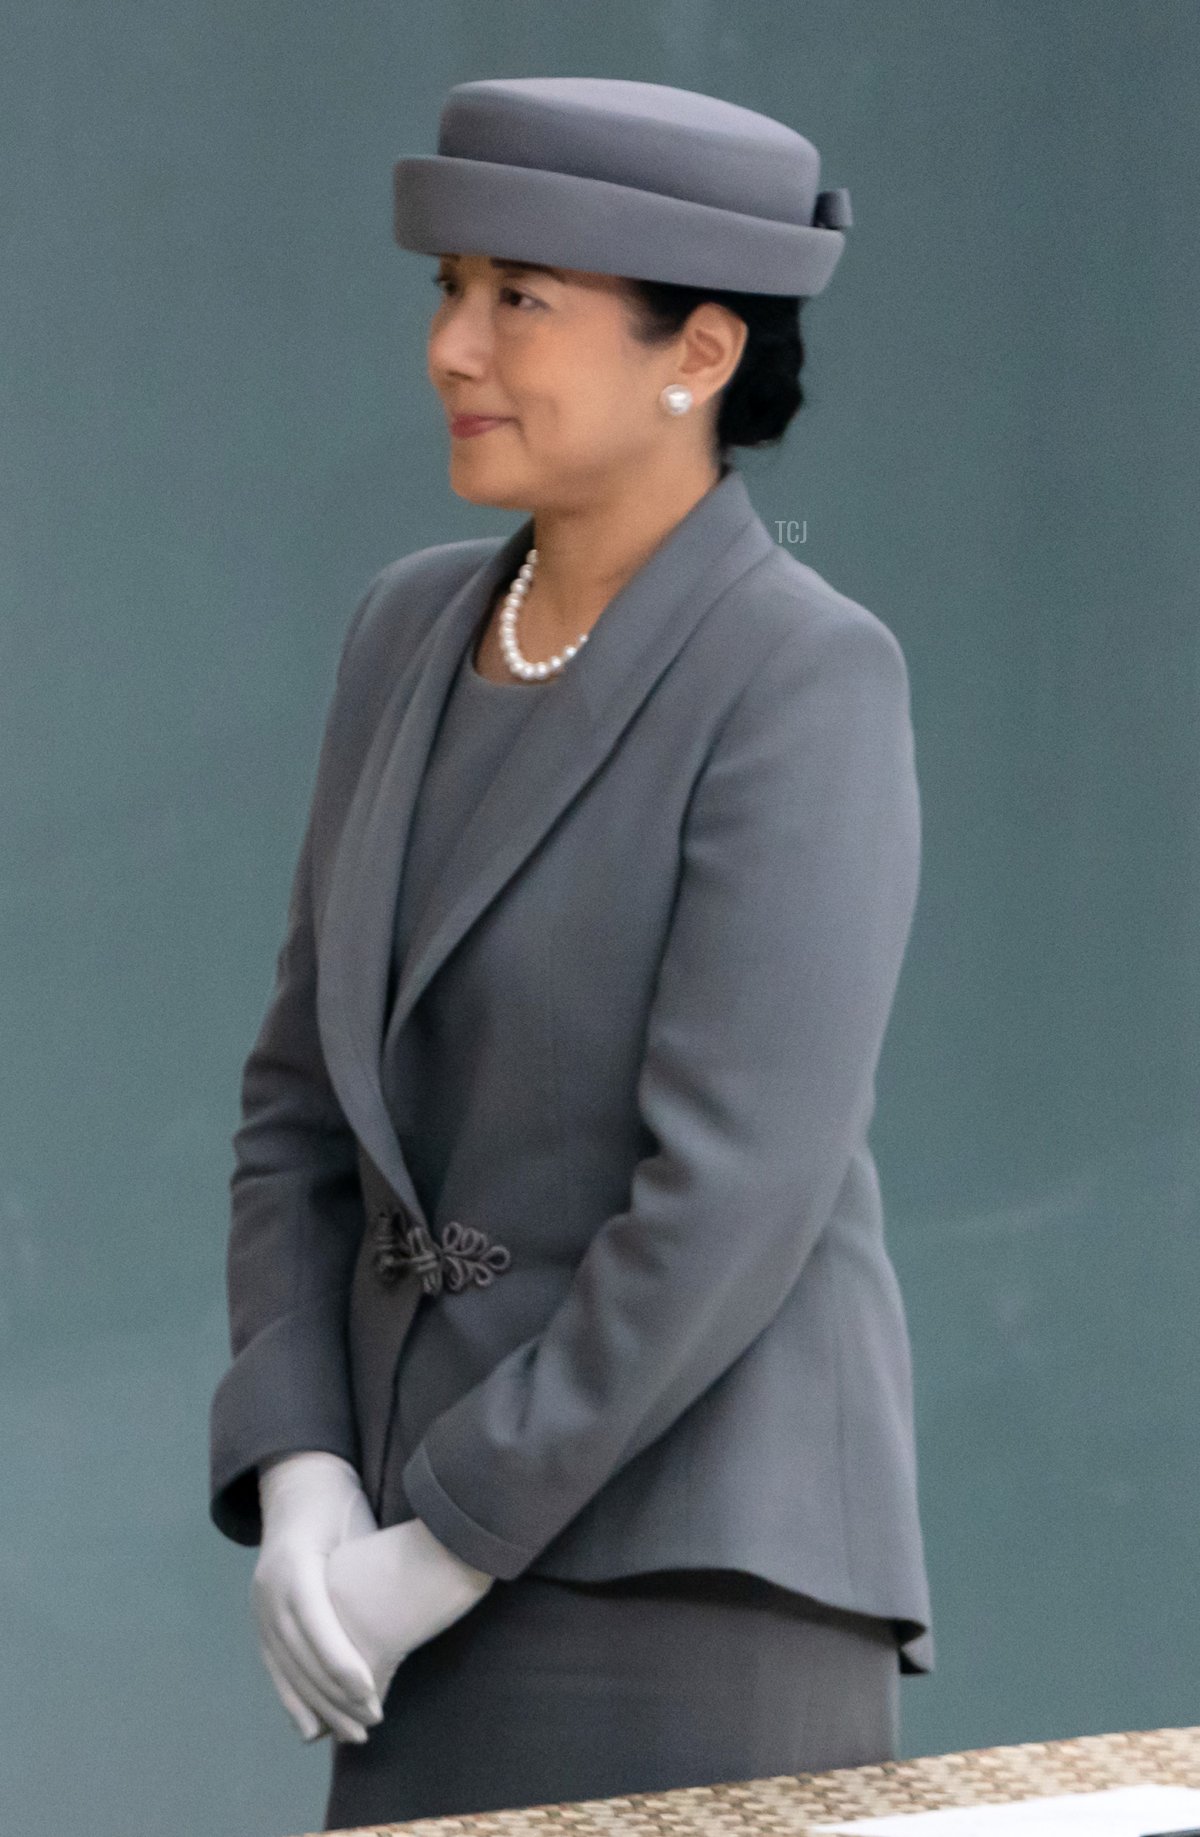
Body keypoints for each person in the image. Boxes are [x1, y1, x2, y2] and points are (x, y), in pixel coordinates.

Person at [207, 75, 935, 1831]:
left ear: (696, 351)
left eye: (518, 299)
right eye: (449, 287)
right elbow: (300, 1106)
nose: (455, 345)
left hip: (688, 1589)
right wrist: (304, 1467)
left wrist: (446, 1537)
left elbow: (732, 1200)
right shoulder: (407, 627)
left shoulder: (801, 677)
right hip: (398, 1581)